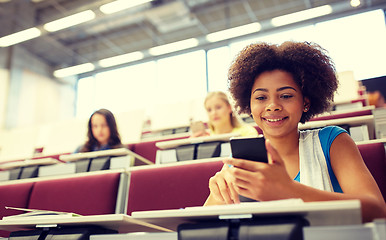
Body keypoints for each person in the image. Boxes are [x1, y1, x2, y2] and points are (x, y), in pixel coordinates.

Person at [204, 41, 386, 222]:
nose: (273, 106)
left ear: (305, 102)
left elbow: (377, 210)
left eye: (286, 96)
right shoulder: (242, 162)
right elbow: (197, 224)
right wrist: (219, 191)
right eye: (261, 97)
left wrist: (288, 190)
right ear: (249, 105)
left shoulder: (332, 141)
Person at [191, 91, 258, 137]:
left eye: (218, 107)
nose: (214, 113)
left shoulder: (247, 132)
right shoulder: (206, 139)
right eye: (209, 110)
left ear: (229, 108)